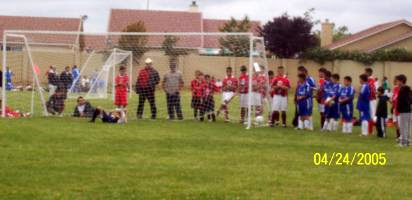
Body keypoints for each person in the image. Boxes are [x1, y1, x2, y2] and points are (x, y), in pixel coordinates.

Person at [395, 74, 411, 147]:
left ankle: (403, 142)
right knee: (407, 126)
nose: (397, 82)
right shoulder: (408, 89)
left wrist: (399, 108)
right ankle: (407, 141)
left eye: (398, 81)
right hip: (408, 110)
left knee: (403, 126)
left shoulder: (403, 90)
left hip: (404, 110)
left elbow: (402, 101)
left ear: (401, 81)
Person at [365, 67, 377, 134]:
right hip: (370, 99)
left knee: (372, 115)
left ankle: (373, 130)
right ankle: (370, 130)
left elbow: (373, 90)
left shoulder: (371, 80)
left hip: (372, 99)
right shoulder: (370, 80)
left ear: (369, 72)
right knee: (370, 114)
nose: (365, 73)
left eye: (365, 72)